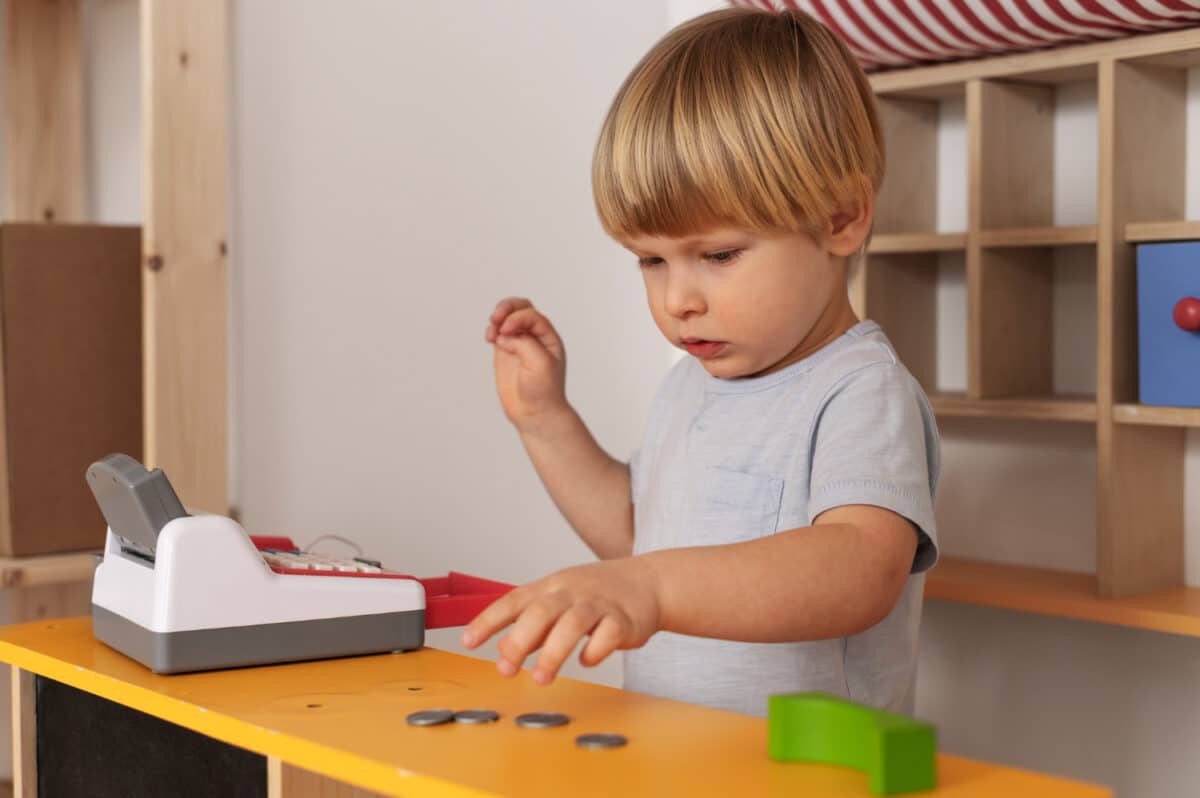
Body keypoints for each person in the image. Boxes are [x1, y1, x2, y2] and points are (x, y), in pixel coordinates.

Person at [461, 6, 940, 717]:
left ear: (840, 217)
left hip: (809, 778)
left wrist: (650, 588)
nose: (677, 298)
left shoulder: (860, 390)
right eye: (651, 260)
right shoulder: (690, 387)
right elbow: (638, 536)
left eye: (717, 255)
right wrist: (544, 421)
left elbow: (862, 566)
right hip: (677, 759)